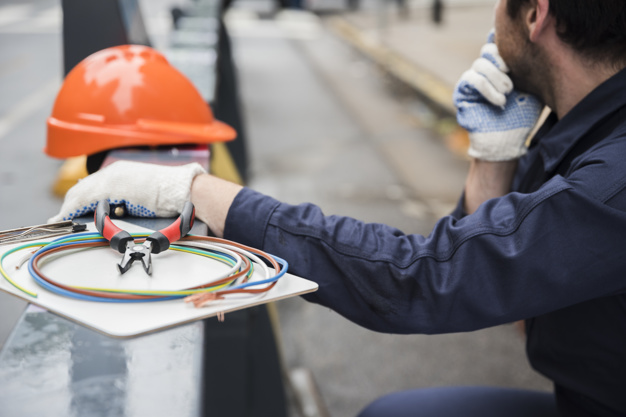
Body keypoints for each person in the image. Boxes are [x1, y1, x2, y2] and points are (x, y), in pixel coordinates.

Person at [50, 0, 626, 415]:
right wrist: (494, 156)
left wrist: (196, 192)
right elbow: (500, 282)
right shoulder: (589, 134)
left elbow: (425, 279)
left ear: (536, 14)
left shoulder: (610, 183)